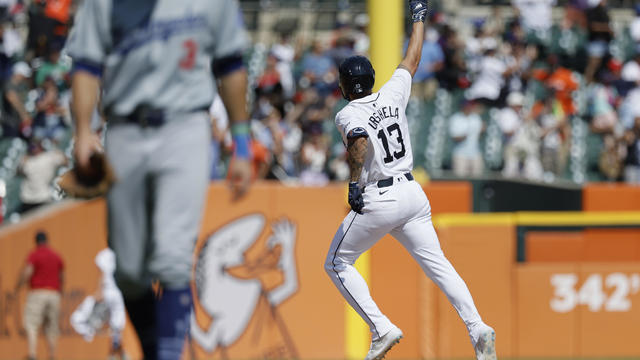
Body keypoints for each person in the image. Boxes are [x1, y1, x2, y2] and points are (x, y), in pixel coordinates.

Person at [65, 1, 253, 359]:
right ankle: (155, 349)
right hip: (123, 128)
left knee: (172, 259)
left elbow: (231, 64)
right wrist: (83, 132)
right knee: (129, 271)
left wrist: (241, 143)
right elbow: (86, 65)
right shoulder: (104, 5)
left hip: (185, 125)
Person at [324, 2, 496, 360]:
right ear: (371, 78)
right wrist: (418, 17)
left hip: (380, 195)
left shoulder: (348, 112)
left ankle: (381, 328)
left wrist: (354, 184)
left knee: (337, 263)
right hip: (413, 193)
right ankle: (477, 326)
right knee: (440, 265)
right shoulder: (391, 93)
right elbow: (412, 58)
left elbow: (357, 140)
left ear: (343, 86)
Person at [15, 231, 65, 360]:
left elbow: (28, 272)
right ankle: (52, 355)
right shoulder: (56, 256)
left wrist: (18, 286)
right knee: (51, 327)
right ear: (47, 241)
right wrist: (60, 292)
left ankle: (32, 355)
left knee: (32, 324)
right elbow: (61, 276)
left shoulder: (35, 255)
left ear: (36, 242)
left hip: (38, 292)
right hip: (54, 293)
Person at [71, 248, 127, 360]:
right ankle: (116, 351)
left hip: (108, 291)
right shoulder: (123, 251)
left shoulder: (105, 254)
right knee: (116, 325)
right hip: (118, 292)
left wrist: (98, 292)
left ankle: (113, 351)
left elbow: (102, 275)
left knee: (81, 318)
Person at [449, 100, 485, 177]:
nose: (469, 108)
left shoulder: (476, 117)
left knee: (478, 177)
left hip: (475, 153)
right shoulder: (456, 118)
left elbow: (479, 134)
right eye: (467, 107)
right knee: (460, 179)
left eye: (470, 107)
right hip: (461, 154)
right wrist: (467, 134)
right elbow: (455, 137)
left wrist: (482, 131)